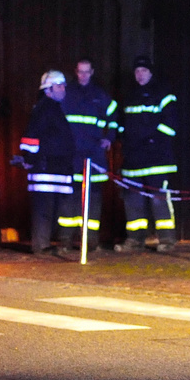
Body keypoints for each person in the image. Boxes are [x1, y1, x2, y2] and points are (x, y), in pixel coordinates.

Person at [118, 56, 179, 251]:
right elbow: (121, 124)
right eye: (137, 71)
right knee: (132, 200)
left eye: (143, 71)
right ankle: (135, 239)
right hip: (133, 159)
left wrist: (152, 141)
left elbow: (171, 125)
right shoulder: (129, 95)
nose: (139, 74)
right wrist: (125, 142)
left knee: (158, 199)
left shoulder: (163, 94)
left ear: (151, 72)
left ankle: (167, 240)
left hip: (156, 159)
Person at [58, 57, 114, 251]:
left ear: (92, 72)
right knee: (69, 200)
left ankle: (90, 242)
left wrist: (110, 138)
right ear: (76, 71)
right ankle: (65, 240)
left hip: (94, 155)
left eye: (86, 71)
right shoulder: (66, 93)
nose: (83, 75)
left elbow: (114, 117)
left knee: (93, 200)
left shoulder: (100, 95)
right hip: (71, 155)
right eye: (80, 71)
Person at [18, 70, 74, 257]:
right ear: (49, 89)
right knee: (44, 210)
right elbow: (31, 138)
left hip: (53, 168)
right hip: (45, 168)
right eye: (59, 85)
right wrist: (29, 159)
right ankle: (41, 246)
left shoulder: (51, 107)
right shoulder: (45, 108)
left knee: (50, 209)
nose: (63, 89)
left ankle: (44, 243)